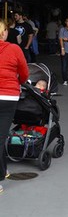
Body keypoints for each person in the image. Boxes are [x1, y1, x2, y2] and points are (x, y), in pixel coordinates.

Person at [0, 19, 29, 194]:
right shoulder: (14, 49)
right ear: (4, 33)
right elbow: (24, 73)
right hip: (7, 97)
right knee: (1, 136)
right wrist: (19, 81)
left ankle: (3, 170)